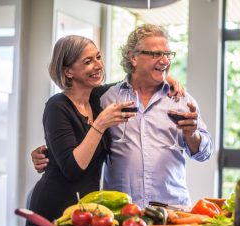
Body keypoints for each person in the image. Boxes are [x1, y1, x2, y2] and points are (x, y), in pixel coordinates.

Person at [32, 24, 213, 208]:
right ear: (133, 57)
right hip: (120, 214)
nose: (165, 60)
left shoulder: (180, 100)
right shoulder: (105, 99)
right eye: (155, 54)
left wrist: (192, 134)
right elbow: (69, 137)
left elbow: (205, 153)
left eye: (167, 54)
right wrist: (47, 154)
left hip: (173, 210)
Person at [26, 35, 136, 226]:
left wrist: (166, 78)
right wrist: (100, 125)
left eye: (98, 57)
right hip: (55, 207)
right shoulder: (57, 106)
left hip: (86, 209)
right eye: (88, 61)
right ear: (68, 71)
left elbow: (136, 80)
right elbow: (72, 169)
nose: (98, 65)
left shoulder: (97, 98)